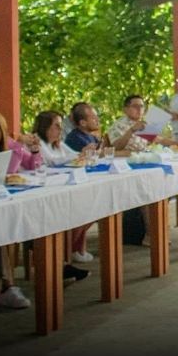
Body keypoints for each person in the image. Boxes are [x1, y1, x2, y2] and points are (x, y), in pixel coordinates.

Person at [0, 110, 46, 309]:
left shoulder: (11, 145)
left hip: (3, 199)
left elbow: (33, 165)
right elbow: (3, 172)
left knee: (35, 215)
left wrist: (34, 152)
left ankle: (52, 269)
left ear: (2, 131)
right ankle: (8, 286)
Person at [30, 110, 94, 278]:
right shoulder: (37, 142)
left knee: (87, 207)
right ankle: (60, 259)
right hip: (42, 190)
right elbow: (52, 161)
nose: (60, 130)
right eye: (56, 126)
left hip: (58, 185)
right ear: (45, 128)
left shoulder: (58, 143)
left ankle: (66, 255)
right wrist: (79, 155)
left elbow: (72, 155)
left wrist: (83, 152)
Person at [106, 96, 152, 244]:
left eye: (142, 106)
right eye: (135, 106)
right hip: (124, 166)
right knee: (147, 188)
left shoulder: (143, 125)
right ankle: (149, 233)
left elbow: (157, 140)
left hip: (141, 162)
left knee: (161, 183)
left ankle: (158, 226)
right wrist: (131, 130)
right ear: (126, 109)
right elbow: (116, 147)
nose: (139, 109)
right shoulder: (118, 125)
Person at [62, 103, 103, 263]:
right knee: (88, 208)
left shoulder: (91, 136)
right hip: (74, 182)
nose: (97, 120)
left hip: (88, 178)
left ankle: (76, 247)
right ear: (82, 123)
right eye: (93, 118)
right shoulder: (75, 138)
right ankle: (70, 248)